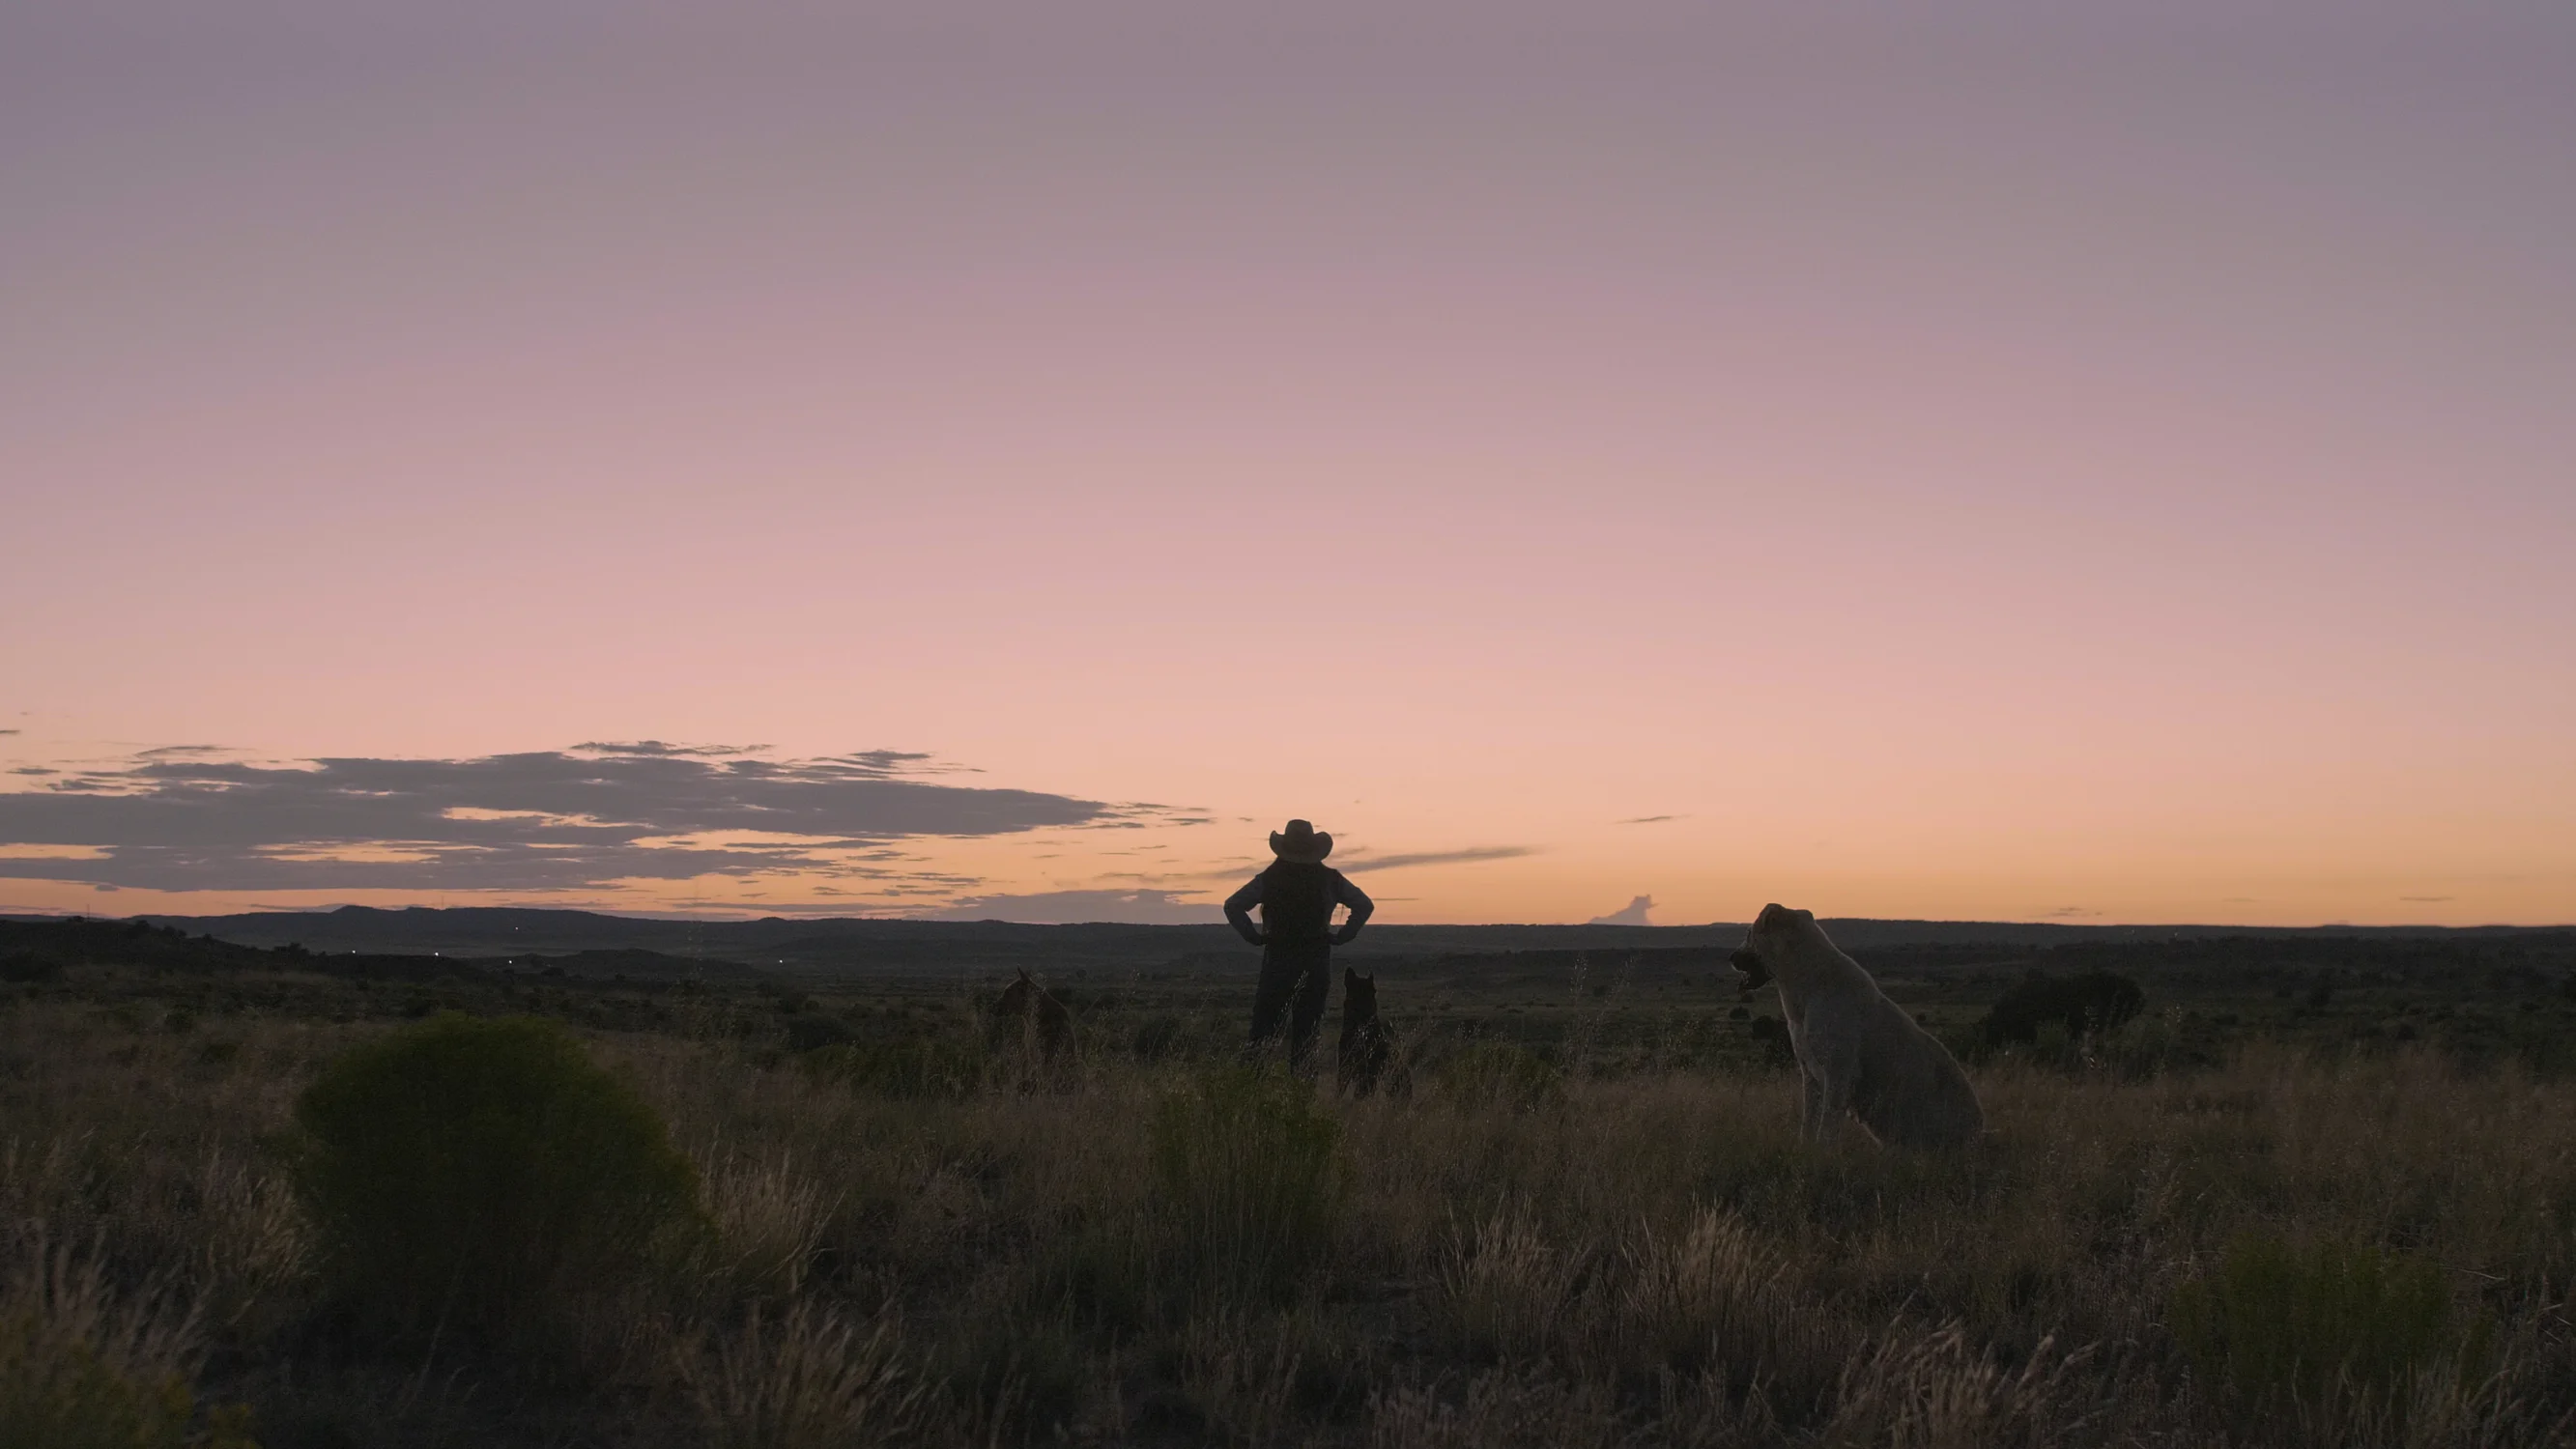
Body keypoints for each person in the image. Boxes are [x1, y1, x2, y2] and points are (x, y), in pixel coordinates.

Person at [1223, 818, 1374, 1068]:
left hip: (1277, 963)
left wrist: (1255, 937)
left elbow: (1233, 905)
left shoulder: (1271, 878)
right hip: (1316, 964)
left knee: (1263, 1034)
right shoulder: (1330, 879)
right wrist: (1341, 936)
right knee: (1307, 1037)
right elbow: (1364, 905)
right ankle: (1302, 1097)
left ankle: (1251, 1093)